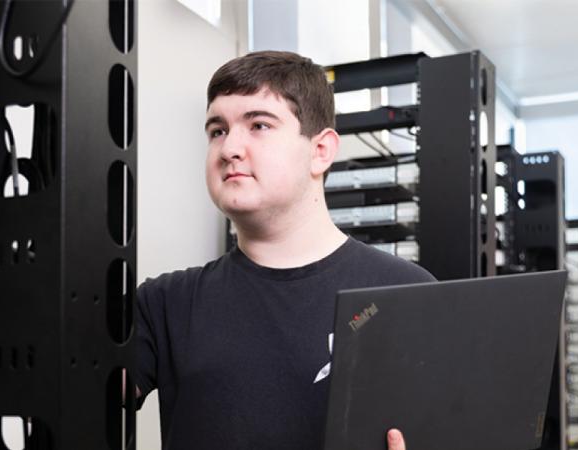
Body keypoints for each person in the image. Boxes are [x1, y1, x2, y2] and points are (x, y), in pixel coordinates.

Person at [130, 50, 433, 450]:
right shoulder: (164, 304)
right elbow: (70, 392)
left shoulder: (406, 292)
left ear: (320, 151)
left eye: (258, 125)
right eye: (217, 130)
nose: (229, 149)